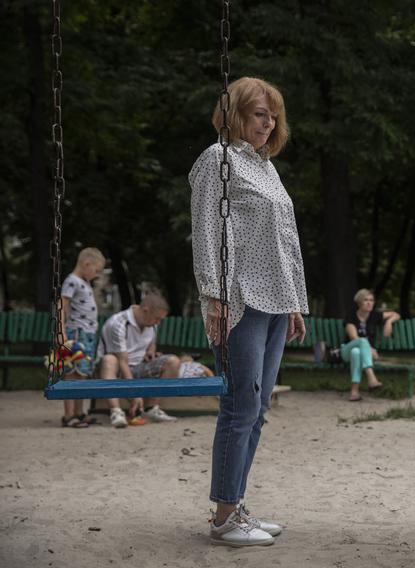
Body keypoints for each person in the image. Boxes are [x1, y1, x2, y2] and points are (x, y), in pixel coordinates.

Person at [190, 76, 308, 548]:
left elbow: (287, 241)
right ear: (235, 114)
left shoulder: (267, 167)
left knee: (258, 409)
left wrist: (295, 300)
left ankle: (234, 504)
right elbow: (205, 231)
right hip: (239, 298)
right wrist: (213, 295)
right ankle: (223, 518)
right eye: (260, 113)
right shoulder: (215, 161)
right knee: (240, 409)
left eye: (273, 115)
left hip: (276, 300)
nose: (269, 122)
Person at [95, 291, 181, 427]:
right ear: (145, 310)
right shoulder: (117, 323)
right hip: (116, 371)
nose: (158, 322)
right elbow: (122, 361)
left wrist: (151, 351)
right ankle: (116, 411)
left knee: (173, 361)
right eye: (157, 319)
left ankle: (151, 408)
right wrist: (134, 393)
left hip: (139, 366)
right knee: (109, 360)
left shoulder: (152, 323)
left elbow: (151, 342)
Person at [58, 247, 106, 428]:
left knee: (82, 373)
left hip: (87, 334)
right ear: (87, 264)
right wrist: (61, 332)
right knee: (72, 373)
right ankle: (68, 415)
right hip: (76, 333)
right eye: (96, 270)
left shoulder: (83, 282)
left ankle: (79, 412)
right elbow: (61, 306)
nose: (96, 275)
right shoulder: (72, 281)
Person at [343, 288, 400, 401]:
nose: (369, 303)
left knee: (357, 353)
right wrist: (370, 349)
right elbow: (354, 338)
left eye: (371, 300)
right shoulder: (351, 316)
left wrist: (388, 322)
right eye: (366, 300)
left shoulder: (374, 315)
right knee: (361, 343)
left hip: (360, 353)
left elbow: (395, 314)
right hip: (346, 351)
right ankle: (371, 378)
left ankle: (354, 392)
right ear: (359, 302)